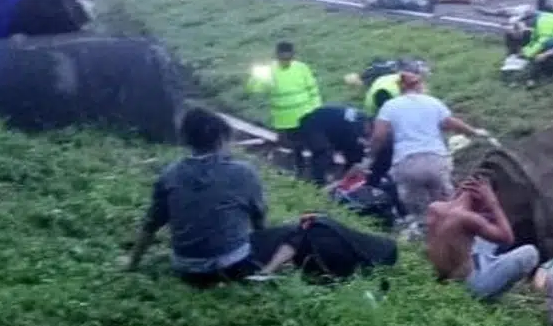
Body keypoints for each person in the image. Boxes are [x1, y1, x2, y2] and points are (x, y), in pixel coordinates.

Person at [123, 107, 268, 284]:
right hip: (233, 266)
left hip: (186, 268)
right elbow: (258, 218)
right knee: (291, 233)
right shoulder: (244, 172)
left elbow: (151, 224)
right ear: (221, 138)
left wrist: (132, 263)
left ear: (186, 139)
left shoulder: (170, 174)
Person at [357, 71, 487, 221]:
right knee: (449, 207)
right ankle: (454, 233)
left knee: (421, 214)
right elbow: (451, 123)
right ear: (419, 85)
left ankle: (427, 235)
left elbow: (379, 136)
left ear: (400, 88)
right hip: (436, 160)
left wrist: (369, 157)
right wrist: (474, 132)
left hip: (406, 163)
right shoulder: (433, 102)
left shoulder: (389, 106)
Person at [424, 175, 540, 300]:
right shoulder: (468, 218)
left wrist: (459, 196)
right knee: (530, 253)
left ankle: (491, 263)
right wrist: (493, 203)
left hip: (441, 274)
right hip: (466, 286)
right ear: (481, 197)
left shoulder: (435, 208)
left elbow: (450, 228)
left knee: (485, 234)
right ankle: (492, 298)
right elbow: (507, 237)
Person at [245, 41, 322, 176]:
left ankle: (313, 171)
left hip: (306, 115)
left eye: (288, 58)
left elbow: (313, 89)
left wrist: (317, 110)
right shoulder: (269, 72)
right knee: (295, 147)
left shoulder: (301, 68)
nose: (286, 61)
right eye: (283, 58)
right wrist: (255, 77)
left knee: (314, 145)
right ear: (277, 56)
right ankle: (300, 171)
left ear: (293, 55)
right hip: (286, 120)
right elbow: (254, 90)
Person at [295, 103, 370, 186]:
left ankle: (344, 178)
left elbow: (355, 149)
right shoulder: (358, 123)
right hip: (314, 124)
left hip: (331, 129)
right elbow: (355, 142)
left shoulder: (360, 121)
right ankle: (317, 183)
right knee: (324, 153)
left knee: (355, 151)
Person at [503, 8, 553, 84]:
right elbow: (535, 39)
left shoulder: (543, 22)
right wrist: (525, 51)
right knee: (536, 54)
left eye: (526, 21)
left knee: (540, 57)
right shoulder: (540, 20)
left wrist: (528, 54)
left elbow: (542, 41)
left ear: (531, 19)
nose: (526, 24)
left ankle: (539, 75)